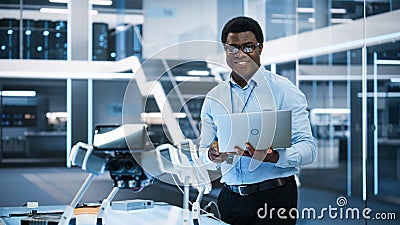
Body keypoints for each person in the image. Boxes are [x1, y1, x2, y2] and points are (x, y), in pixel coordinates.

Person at [199, 16, 316, 225]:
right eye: (233, 48)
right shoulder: (213, 98)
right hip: (230, 199)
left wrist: (274, 157)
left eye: (248, 47)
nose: (240, 54)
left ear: (260, 48)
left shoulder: (284, 90)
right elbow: (203, 153)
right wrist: (212, 153)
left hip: (275, 199)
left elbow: (309, 149)